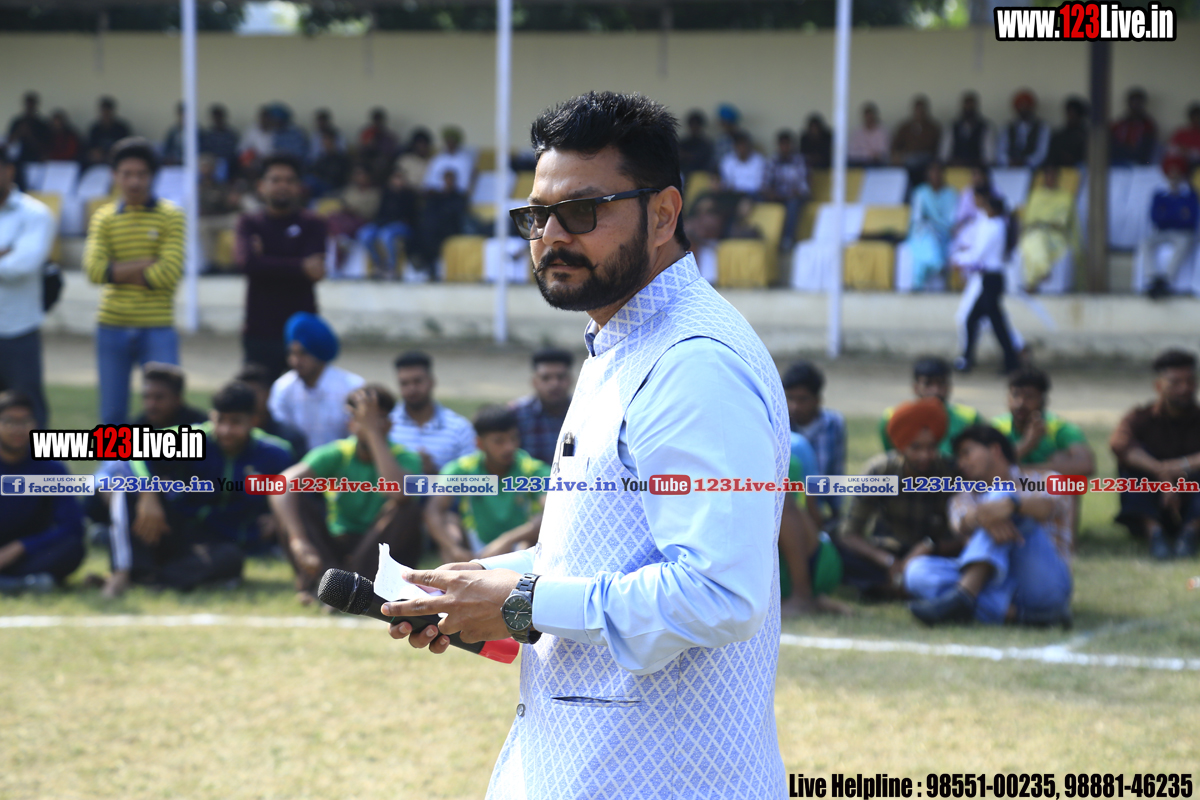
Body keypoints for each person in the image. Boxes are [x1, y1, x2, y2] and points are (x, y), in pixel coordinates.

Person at [382, 91, 789, 798]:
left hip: (661, 779)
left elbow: (720, 594)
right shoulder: (625, 340)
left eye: (581, 211)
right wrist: (481, 585)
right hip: (587, 764)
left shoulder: (693, 364)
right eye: (537, 216)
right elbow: (610, 552)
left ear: (663, 215)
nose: (551, 236)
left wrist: (523, 602)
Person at [105, 382, 293, 596]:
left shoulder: (276, 454)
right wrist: (148, 492)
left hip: (221, 541)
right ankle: (123, 573)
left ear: (254, 421)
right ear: (211, 416)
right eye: (220, 420)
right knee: (125, 486)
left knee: (230, 559)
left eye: (236, 422)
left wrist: (275, 515)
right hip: (173, 528)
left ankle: (151, 579)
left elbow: (296, 492)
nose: (226, 430)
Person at [906, 425, 1073, 627]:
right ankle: (1018, 615)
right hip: (994, 584)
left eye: (966, 453)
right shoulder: (963, 496)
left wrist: (1011, 505)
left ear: (994, 450)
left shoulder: (1047, 478)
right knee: (916, 572)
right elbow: (961, 524)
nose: (961, 463)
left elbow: (1047, 507)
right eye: (959, 458)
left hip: (1042, 584)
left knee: (1002, 492)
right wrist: (983, 517)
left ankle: (965, 595)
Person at [271, 384, 422, 603]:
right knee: (293, 501)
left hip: (378, 548)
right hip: (338, 540)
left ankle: (351, 588)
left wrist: (372, 433)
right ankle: (325, 583)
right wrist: (298, 540)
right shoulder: (338, 453)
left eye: (376, 418)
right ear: (350, 423)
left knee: (408, 509)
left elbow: (399, 493)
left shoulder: (406, 458)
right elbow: (282, 484)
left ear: (389, 424)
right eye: (361, 418)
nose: (367, 424)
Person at [83, 137, 185, 425]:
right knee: (112, 415)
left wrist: (115, 271)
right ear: (114, 175)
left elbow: (169, 273)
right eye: (127, 174)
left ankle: (164, 459)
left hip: (158, 325)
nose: (134, 181)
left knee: (166, 413)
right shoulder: (104, 218)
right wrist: (145, 264)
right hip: (111, 324)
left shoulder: (171, 216)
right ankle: (114, 459)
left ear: (152, 176)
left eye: (141, 174)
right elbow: (94, 272)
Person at [838, 397, 959, 599]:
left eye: (931, 448)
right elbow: (849, 533)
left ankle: (891, 587)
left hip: (934, 554)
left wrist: (929, 547)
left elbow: (964, 536)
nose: (924, 456)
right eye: (916, 448)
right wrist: (889, 561)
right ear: (901, 447)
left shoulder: (950, 472)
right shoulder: (880, 472)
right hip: (888, 552)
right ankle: (903, 585)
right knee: (836, 549)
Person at [235, 153, 328, 380]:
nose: (282, 186)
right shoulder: (248, 223)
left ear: (299, 187)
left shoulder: (313, 224)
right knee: (257, 398)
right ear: (261, 186)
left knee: (304, 398)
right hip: (259, 331)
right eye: (275, 180)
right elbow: (248, 264)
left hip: (302, 335)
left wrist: (265, 260)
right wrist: (299, 266)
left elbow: (316, 271)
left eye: (290, 180)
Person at [428, 405, 550, 562]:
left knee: (538, 531)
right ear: (479, 444)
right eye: (499, 441)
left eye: (513, 438)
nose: (509, 447)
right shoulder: (462, 470)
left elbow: (552, 513)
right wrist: (454, 549)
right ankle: (455, 572)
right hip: (475, 546)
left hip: (520, 546)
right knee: (449, 522)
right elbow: (433, 511)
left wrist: (508, 539)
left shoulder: (532, 470)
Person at [1110, 349, 1200, 559]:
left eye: (1189, 381)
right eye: (1175, 383)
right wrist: (1161, 472)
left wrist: (1182, 465)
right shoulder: (1140, 417)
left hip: (1193, 501)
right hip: (1154, 500)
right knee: (1131, 466)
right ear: (1159, 386)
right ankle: (1154, 533)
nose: (1184, 388)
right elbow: (1119, 445)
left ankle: (1190, 533)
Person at [0, 391, 85, 594]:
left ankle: (12, 582)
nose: (17, 428)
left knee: (72, 547)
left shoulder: (50, 467)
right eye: (9, 421)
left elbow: (72, 526)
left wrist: (20, 547)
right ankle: (22, 584)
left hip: (28, 553)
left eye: (25, 421)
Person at [0, 148, 56, 427]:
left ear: (9, 170)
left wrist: (12, 258)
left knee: (28, 412)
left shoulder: (35, 213)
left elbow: (23, 265)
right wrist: (5, 253)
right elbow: (11, 264)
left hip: (18, 331)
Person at [268, 312, 365, 451]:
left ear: (319, 353)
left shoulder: (352, 386)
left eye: (303, 353)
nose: (295, 361)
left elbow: (358, 437)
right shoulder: (283, 388)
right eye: (292, 353)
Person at [953, 188, 1021, 374]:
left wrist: (959, 259)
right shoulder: (999, 225)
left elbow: (978, 255)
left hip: (991, 280)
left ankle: (973, 360)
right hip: (991, 280)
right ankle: (974, 359)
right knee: (984, 321)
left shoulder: (993, 227)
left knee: (984, 322)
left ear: (994, 210)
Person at [993, 367, 1095, 476]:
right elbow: (988, 467)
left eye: (1029, 397)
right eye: (1015, 395)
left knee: (1060, 458)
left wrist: (1019, 471)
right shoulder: (997, 427)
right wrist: (1027, 443)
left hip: (1047, 486)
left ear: (1043, 401)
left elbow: (1085, 466)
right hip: (1010, 486)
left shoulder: (1060, 428)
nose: (1020, 403)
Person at [387, 351, 475, 473]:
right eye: (404, 383)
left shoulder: (459, 428)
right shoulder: (387, 425)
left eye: (417, 381)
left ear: (432, 381)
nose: (412, 389)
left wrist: (434, 474)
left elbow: (475, 479)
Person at [782, 360, 846, 523]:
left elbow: (836, 471)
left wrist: (835, 514)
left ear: (818, 399)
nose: (795, 406)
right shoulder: (781, 425)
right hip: (787, 507)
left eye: (802, 399)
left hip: (819, 508)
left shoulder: (833, 424)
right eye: (790, 398)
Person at [880, 356, 982, 457]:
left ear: (949, 386)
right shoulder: (893, 418)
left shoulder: (969, 418)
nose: (935, 391)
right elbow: (893, 456)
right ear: (915, 387)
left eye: (941, 383)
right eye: (928, 384)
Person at [1138, 155, 1198, 300]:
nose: (1173, 176)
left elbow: (1190, 220)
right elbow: (1155, 218)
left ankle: (1167, 280)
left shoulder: (1189, 195)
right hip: (1163, 232)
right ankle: (1153, 279)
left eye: (1177, 172)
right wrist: (1178, 215)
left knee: (1183, 243)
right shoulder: (1160, 194)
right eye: (1171, 173)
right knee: (1145, 243)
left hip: (1183, 233)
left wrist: (1167, 214)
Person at [1018, 164, 1079, 292]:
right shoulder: (1035, 195)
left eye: (1053, 175)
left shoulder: (1065, 197)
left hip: (1055, 236)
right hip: (1034, 232)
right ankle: (1042, 271)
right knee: (1034, 239)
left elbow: (1063, 223)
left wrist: (1045, 225)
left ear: (1057, 178)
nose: (1050, 178)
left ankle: (1032, 281)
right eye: (1048, 175)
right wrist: (1036, 226)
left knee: (1037, 239)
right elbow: (1028, 220)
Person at [508, 347, 574, 465]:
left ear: (570, 380)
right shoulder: (516, 413)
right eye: (545, 378)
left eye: (560, 377)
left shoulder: (584, 412)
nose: (554, 384)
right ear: (534, 382)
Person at [235, 362, 308, 458]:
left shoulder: (289, 438)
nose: (247, 399)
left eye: (253, 393)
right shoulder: (229, 437)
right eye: (244, 393)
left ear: (269, 393)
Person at [357, 167, 418, 278]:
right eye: (395, 178)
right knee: (364, 234)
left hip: (402, 226)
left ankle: (392, 268)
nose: (398, 181)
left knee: (386, 235)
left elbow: (409, 217)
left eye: (400, 178)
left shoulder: (409, 195)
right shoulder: (386, 193)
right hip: (383, 223)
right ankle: (378, 264)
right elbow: (380, 213)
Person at [907, 160, 958, 290]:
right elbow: (917, 219)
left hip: (945, 233)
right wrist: (930, 224)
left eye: (938, 171)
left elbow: (952, 220)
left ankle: (919, 283)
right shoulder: (920, 192)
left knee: (935, 240)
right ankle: (937, 265)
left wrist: (936, 224)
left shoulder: (951, 194)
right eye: (932, 172)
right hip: (923, 233)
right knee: (928, 240)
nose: (935, 175)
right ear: (927, 174)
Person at [764, 130, 809, 249]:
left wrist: (791, 194)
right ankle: (768, 240)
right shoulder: (772, 160)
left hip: (796, 196)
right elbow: (765, 183)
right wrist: (771, 193)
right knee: (760, 200)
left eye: (787, 144)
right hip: (778, 195)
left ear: (792, 145)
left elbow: (804, 187)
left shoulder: (800, 160)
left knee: (792, 203)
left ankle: (787, 239)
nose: (784, 147)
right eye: (782, 144)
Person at [133, 362, 207, 430]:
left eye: (159, 397)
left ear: (177, 398)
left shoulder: (200, 426)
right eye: (146, 397)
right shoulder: (137, 427)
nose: (151, 404)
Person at [890, 95, 941, 183]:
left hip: (926, 159)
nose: (919, 113)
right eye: (917, 110)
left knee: (916, 161)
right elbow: (895, 145)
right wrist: (896, 155)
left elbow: (935, 149)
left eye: (922, 110)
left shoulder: (933, 128)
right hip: (907, 159)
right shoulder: (905, 127)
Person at [997, 90, 1050, 168]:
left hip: (1033, 169)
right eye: (1020, 106)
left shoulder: (1042, 127)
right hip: (1009, 169)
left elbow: (1041, 153)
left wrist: (1026, 162)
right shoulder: (1007, 128)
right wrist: (1009, 162)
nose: (1023, 109)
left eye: (1026, 106)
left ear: (1032, 107)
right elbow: (1000, 151)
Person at [942, 91, 994, 167]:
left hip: (977, 169)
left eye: (971, 105)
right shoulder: (952, 127)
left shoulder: (985, 127)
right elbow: (944, 155)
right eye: (966, 104)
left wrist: (976, 163)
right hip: (956, 168)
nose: (969, 108)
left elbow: (989, 157)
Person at [1110, 87, 1159, 166]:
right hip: (1117, 160)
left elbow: (1146, 149)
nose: (1135, 105)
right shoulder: (1120, 123)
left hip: (1138, 161)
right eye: (1132, 102)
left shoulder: (1148, 125)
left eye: (1138, 103)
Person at [6, 91, 51, 171]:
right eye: (28, 104)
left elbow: (45, 148)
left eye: (31, 105)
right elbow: (9, 142)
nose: (29, 107)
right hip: (18, 161)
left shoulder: (41, 124)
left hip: (35, 161)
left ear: (35, 105)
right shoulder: (17, 122)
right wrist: (19, 132)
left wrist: (30, 135)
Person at [718, 131, 766, 198]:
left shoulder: (759, 161)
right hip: (733, 194)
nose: (742, 148)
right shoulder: (727, 160)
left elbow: (759, 185)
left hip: (753, 194)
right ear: (734, 146)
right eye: (739, 145)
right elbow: (726, 182)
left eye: (744, 145)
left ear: (749, 146)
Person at [86, 96, 132, 165]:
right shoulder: (95, 129)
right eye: (103, 111)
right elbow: (90, 148)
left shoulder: (121, 128)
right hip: (98, 163)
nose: (105, 114)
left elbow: (126, 147)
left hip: (117, 161)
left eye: (107, 111)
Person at [359, 107, 400, 179]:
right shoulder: (367, 133)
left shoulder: (388, 135)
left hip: (383, 159)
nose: (378, 122)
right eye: (376, 120)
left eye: (380, 120)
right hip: (368, 158)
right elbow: (362, 148)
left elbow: (391, 151)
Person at [1047, 96, 1089, 168]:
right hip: (1059, 171)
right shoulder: (1058, 136)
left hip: (1080, 171)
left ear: (1080, 115)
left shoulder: (1086, 136)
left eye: (1073, 114)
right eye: (1068, 113)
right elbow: (1051, 159)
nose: (1070, 117)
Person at [199, 103, 239, 176]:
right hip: (211, 160)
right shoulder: (208, 134)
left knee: (222, 163)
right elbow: (205, 149)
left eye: (219, 117)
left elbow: (232, 151)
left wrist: (220, 157)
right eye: (215, 118)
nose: (217, 120)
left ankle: (220, 183)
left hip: (226, 161)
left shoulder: (230, 134)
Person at [678, 109, 714, 176]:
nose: (694, 128)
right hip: (683, 174)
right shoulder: (683, 143)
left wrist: (686, 156)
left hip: (701, 175)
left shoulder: (706, 144)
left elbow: (702, 160)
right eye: (692, 125)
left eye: (696, 125)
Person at [1166, 103, 1200, 171]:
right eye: (1194, 117)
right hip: (1179, 163)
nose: (1196, 120)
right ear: (1190, 118)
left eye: (1198, 118)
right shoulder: (1181, 133)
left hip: (1196, 165)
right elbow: (1170, 149)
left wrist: (1189, 152)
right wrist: (1180, 150)